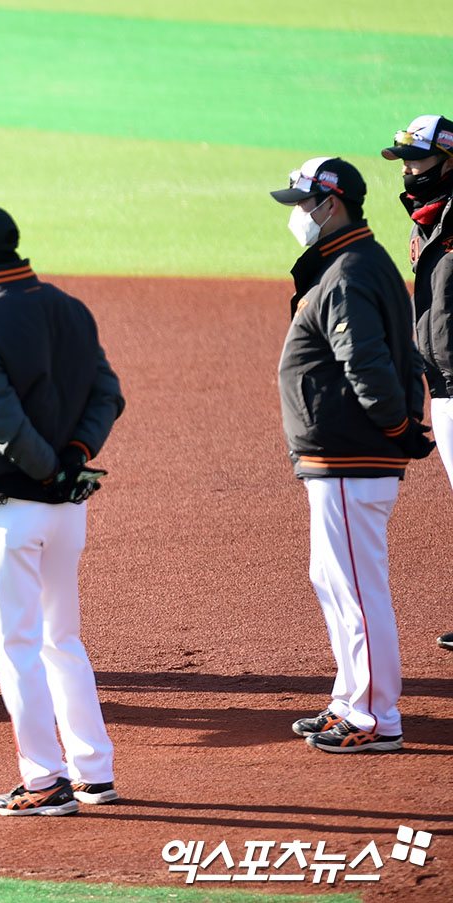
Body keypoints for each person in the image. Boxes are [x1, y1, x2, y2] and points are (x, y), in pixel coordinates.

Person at [0, 201, 123, 816]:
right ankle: (94, 771)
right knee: (63, 639)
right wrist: (72, 459)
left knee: (17, 648)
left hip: (7, 506)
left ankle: (44, 780)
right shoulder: (69, 307)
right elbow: (107, 394)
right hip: (67, 507)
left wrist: (44, 466)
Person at [269, 157, 434, 753]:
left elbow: (366, 363)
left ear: (329, 204)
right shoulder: (356, 262)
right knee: (333, 580)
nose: (295, 214)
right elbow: (407, 352)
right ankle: (350, 700)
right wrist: (402, 427)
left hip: (352, 456)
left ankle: (374, 718)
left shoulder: (348, 273)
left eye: (300, 203)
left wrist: (396, 427)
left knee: (357, 587)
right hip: (343, 456)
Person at [381, 116, 453, 655]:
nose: (409, 170)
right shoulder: (426, 220)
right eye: (405, 160)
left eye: (418, 159)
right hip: (441, 379)